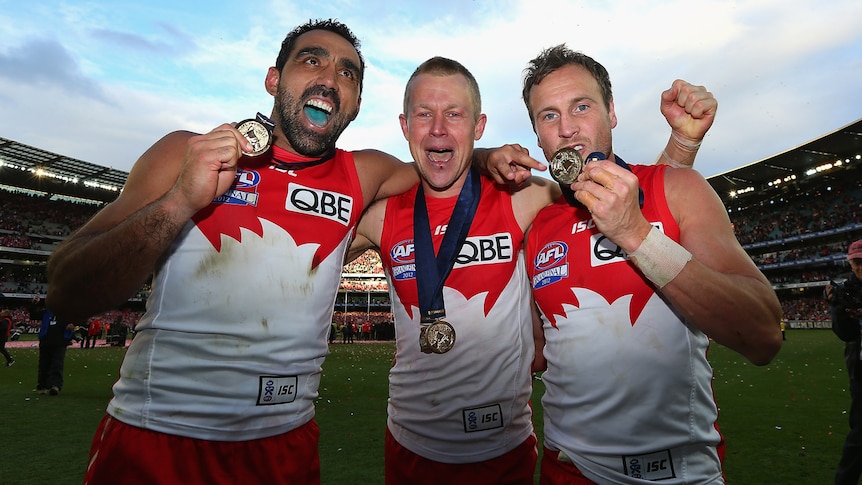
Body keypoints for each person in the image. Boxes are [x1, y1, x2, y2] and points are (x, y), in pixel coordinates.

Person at [45, 19, 522, 485]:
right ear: (274, 79)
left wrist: (483, 154)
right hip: (157, 438)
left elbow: (440, 163)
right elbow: (66, 292)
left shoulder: (365, 174)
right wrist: (179, 203)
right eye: (311, 60)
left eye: (347, 73)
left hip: (285, 445)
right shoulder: (187, 153)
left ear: (356, 103)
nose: (329, 80)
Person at [347, 56, 716, 484]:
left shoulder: (525, 196)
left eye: (455, 115)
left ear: (478, 125)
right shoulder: (379, 216)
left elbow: (630, 198)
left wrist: (681, 148)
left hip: (506, 450)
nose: (438, 128)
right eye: (423, 114)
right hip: (411, 446)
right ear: (404, 125)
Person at [521, 45, 783, 484]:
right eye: (548, 116)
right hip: (566, 472)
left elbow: (763, 336)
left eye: (581, 106)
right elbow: (537, 353)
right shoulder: (540, 226)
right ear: (537, 133)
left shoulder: (679, 187)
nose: (567, 128)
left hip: (678, 476)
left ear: (612, 113)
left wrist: (635, 235)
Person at [828, 239, 862, 485]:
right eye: (856, 262)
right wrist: (837, 308)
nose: (860, 267)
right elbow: (845, 333)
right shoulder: (846, 290)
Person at [37, 306, 77, 395]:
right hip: (46, 341)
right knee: (44, 364)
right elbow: (34, 314)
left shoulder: (66, 312)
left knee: (57, 364)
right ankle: (43, 385)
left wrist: (71, 325)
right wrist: (35, 304)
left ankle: (55, 385)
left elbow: (77, 318)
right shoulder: (46, 311)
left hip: (60, 341)